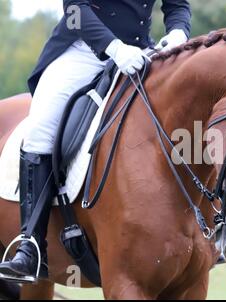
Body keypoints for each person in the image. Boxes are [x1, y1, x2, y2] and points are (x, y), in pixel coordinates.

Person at [0, 0, 191, 283]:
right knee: (40, 131)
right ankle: (31, 245)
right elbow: (75, 10)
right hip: (82, 51)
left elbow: (177, 5)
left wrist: (178, 32)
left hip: (143, 53)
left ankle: (205, 231)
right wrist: (113, 47)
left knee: (186, 112)